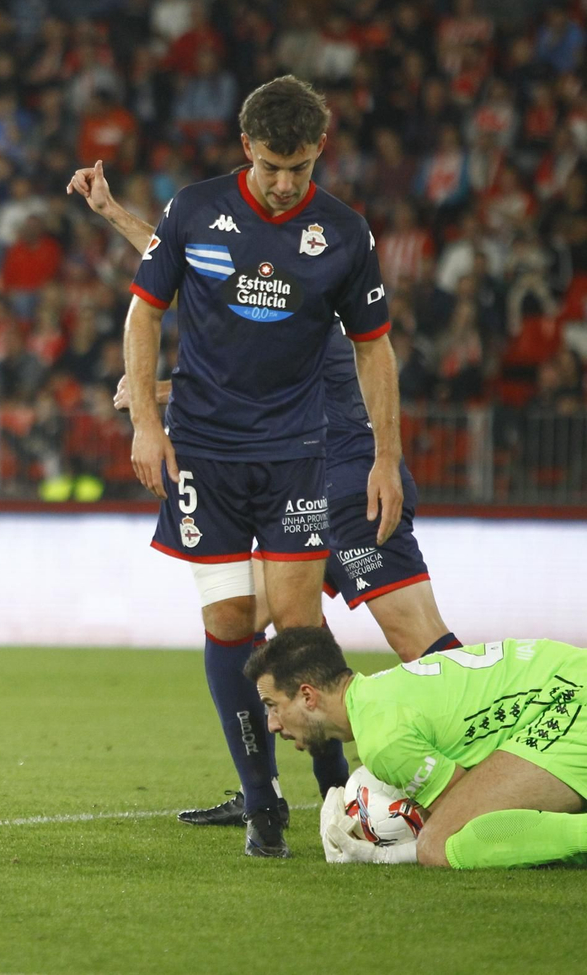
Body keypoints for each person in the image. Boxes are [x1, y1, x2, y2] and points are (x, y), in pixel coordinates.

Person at [70, 76, 402, 858]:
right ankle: (262, 808)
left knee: (296, 624)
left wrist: (386, 457)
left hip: (295, 455)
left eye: (301, 168)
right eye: (273, 166)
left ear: (320, 150)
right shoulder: (196, 208)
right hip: (206, 455)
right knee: (227, 624)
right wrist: (147, 425)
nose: (286, 185)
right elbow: (146, 307)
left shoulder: (345, 233)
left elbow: (374, 347)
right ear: (247, 146)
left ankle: (335, 791)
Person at [89, 165, 467, 830]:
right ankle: (309, 786)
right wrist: (118, 216)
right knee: (252, 622)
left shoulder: (309, 298)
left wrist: (157, 395)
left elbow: (267, 368)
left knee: (410, 635)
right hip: (308, 464)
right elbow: (202, 268)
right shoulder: (273, 290)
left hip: (337, 474)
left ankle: (479, 759)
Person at [247, 626, 587, 869]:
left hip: (570, 702)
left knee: (437, 845)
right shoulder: (378, 693)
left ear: (307, 696)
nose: (273, 724)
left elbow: (468, 815)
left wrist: (386, 852)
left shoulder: (382, 738)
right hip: (566, 683)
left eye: (273, 705)